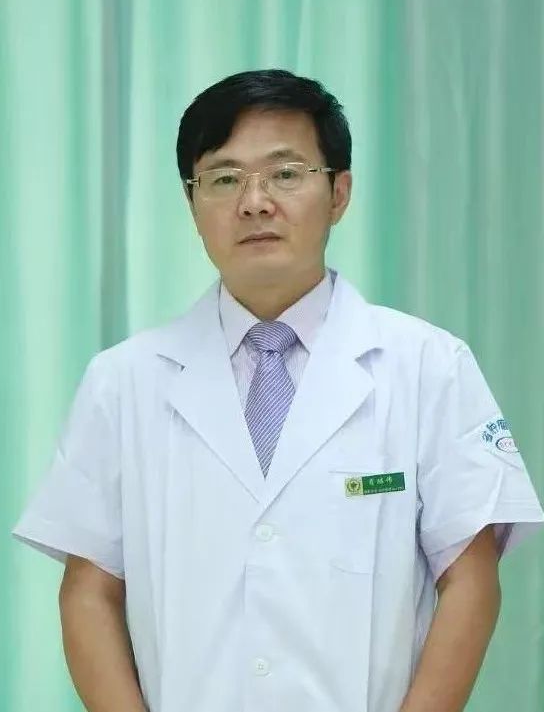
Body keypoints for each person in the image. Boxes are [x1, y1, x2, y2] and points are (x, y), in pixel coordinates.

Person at [12, 68, 544, 712]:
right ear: (192, 203)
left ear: (339, 193)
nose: (255, 202)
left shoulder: (429, 366)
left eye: (286, 174)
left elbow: (470, 579)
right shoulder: (123, 382)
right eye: (224, 179)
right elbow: (89, 590)